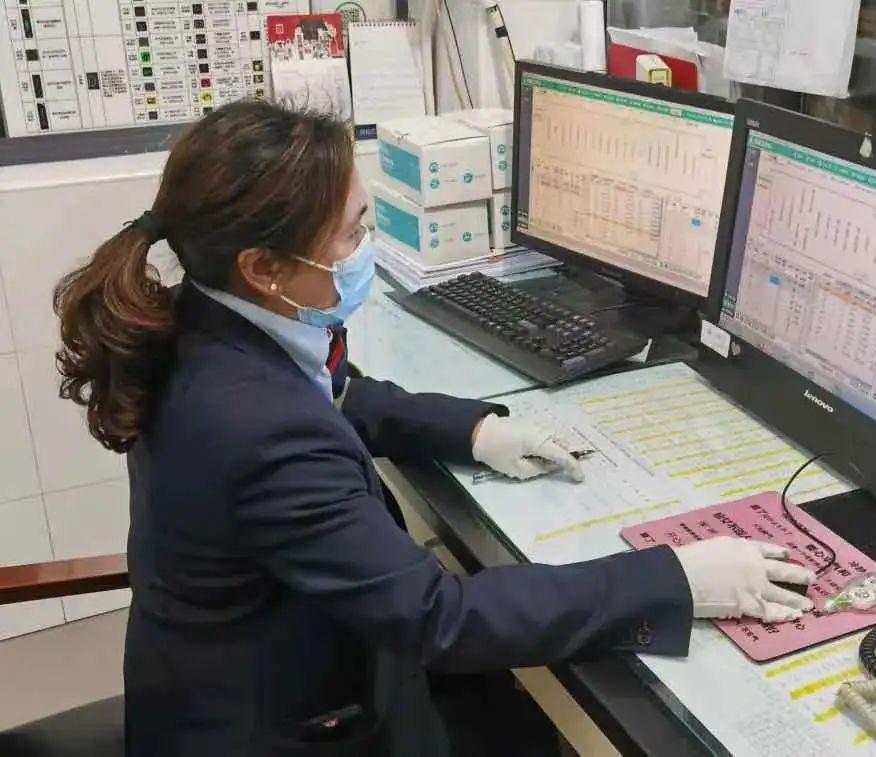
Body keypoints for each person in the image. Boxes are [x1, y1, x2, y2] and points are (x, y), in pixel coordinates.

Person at [53, 101, 815, 756]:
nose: (367, 250)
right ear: (265, 268)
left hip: (228, 672)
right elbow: (439, 618)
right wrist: (673, 579)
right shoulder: (254, 426)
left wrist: (476, 430)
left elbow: (334, 394)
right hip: (279, 728)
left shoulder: (204, 320)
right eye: (351, 234)